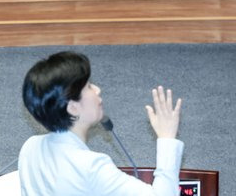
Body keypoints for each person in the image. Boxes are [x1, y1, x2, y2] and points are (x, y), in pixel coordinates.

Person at [19, 51, 184, 196]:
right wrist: (167, 138)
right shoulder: (92, 167)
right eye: (89, 86)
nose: (98, 89)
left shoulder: (30, 147)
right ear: (73, 108)